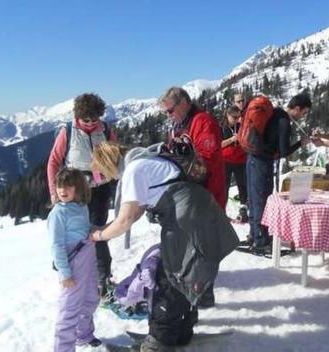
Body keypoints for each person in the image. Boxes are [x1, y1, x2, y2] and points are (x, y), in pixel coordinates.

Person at [90, 142, 238, 352]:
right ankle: (180, 332)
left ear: (107, 164)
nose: (104, 178)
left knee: (167, 278)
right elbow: (137, 211)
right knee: (182, 274)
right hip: (195, 211)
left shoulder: (133, 170)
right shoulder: (146, 160)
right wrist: (104, 229)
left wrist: (98, 235)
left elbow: (127, 218)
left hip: (184, 219)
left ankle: (159, 342)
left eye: (100, 173)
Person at [47, 93, 117, 296]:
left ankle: (103, 277)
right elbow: (53, 162)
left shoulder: (105, 130)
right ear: (79, 116)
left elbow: (116, 157)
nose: (91, 124)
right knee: (74, 233)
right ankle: (69, 270)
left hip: (100, 190)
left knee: (97, 233)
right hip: (75, 192)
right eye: (87, 120)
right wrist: (54, 192)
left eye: (95, 119)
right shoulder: (68, 132)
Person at [246, 92, 312, 253]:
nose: (303, 117)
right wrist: (300, 144)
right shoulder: (284, 121)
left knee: (254, 199)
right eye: (303, 113)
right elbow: (284, 151)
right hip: (262, 162)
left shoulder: (274, 112)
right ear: (297, 108)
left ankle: (255, 235)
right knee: (262, 200)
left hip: (251, 159)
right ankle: (261, 241)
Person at [48, 168, 101, 351]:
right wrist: (65, 273)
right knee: (69, 309)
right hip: (73, 263)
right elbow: (56, 245)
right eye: (59, 186)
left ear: (78, 187)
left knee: (91, 298)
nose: (63, 190)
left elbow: (82, 229)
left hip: (88, 258)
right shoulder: (58, 213)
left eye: (68, 186)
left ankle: (83, 334)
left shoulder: (81, 206)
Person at [159, 87, 226, 210]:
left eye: (170, 111)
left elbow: (208, 162)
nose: (168, 115)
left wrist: (180, 160)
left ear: (184, 103)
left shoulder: (203, 122)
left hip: (208, 196)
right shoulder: (178, 125)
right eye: (165, 113)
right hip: (189, 195)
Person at [220, 105, 248, 222]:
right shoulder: (221, 127)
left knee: (242, 186)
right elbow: (219, 144)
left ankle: (243, 211)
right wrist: (232, 140)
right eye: (234, 117)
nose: (236, 119)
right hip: (226, 160)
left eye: (238, 117)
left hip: (240, 160)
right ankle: (222, 213)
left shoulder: (240, 126)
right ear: (228, 115)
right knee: (224, 187)